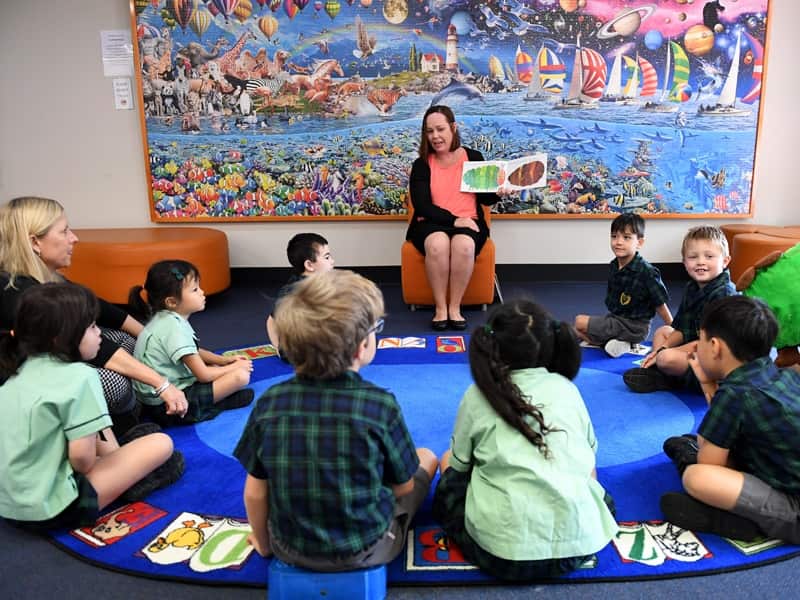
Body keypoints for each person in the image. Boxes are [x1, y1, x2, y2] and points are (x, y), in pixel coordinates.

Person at [234, 270, 438, 569]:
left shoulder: (270, 402)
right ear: (360, 347)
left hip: (290, 548)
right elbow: (403, 488)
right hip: (367, 549)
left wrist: (265, 545)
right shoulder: (380, 405)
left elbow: (255, 491)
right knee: (427, 458)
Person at [432, 300, 618, 581]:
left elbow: (459, 466)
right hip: (578, 546)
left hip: (503, 555)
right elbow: (590, 457)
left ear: (492, 347)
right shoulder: (566, 388)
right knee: (587, 475)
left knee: (448, 463)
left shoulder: (477, 394)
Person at [0, 284, 183, 532]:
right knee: (161, 443)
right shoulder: (80, 376)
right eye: (92, 327)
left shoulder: (17, 371)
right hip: (53, 509)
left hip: (9, 506)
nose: (100, 334)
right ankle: (131, 482)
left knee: (112, 444)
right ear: (61, 338)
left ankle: (126, 466)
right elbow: (82, 461)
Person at [0, 196, 188, 435]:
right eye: (64, 231)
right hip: (28, 384)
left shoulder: (43, 277)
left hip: (57, 358)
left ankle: (133, 406)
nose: (74, 238)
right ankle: (125, 430)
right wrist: (162, 384)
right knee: (114, 383)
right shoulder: (21, 293)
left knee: (131, 342)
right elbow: (95, 347)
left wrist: (152, 337)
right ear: (35, 242)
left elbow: (100, 308)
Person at [660, 296, 800, 544]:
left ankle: (741, 521)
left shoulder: (736, 394)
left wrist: (696, 456)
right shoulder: (783, 376)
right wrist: (706, 382)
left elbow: (710, 464)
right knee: (709, 444)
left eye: (699, 341)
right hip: (784, 469)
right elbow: (728, 425)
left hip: (794, 510)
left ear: (715, 347)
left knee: (696, 476)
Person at [406, 105, 505, 332]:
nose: (435, 136)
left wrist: (498, 192)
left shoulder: (474, 157)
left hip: (469, 221)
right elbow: (421, 206)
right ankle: (440, 308)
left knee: (464, 246)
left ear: (453, 127)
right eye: (429, 131)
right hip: (430, 223)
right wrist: (454, 220)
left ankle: (454, 307)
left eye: (440, 129)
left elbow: (486, 199)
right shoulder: (421, 164)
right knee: (438, 245)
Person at [129, 259, 254, 427]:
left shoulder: (166, 319)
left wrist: (223, 361)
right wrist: (235, 368)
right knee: (240, 377)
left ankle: (214, 399)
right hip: (168, 405)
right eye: (195, 290)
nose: (202, 292)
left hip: (156, 397)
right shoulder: (174, 327)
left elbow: (193, 351)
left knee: (219, 369)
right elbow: (203, 375)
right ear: (172, 302)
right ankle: (212, 406)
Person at [623, 225, 736, 393]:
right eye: (693, 257)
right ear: (684, 262)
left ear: (725, 261)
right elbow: (681, 329)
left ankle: (670, 379)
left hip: (715, 358)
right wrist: (663, 347)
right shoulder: (692, 288)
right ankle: (664, 372)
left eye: (709, 256)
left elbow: (709, 345)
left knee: (666, 357)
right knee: (663, 331)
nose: (700, 262)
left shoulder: (723, 294)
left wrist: (664, 352)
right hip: (695, 347)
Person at [574, 213, 672, 358]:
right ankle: (621, 343)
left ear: (639, 242)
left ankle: (626, 340)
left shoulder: (647, 272)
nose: (618, 242)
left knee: (578, 321)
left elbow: (660, 303)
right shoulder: (614, 266)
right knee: (576, 331)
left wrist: (676, 329)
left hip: (635, 327)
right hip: (616, 320)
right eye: (614, 236)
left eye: (626, 237)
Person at [265, 233, 334, 351]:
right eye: (327, 257)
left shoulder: (321, 284)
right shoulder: (293, 291)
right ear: (309, 265)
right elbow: (272, 321)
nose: (332, 261)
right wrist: (279, 348)